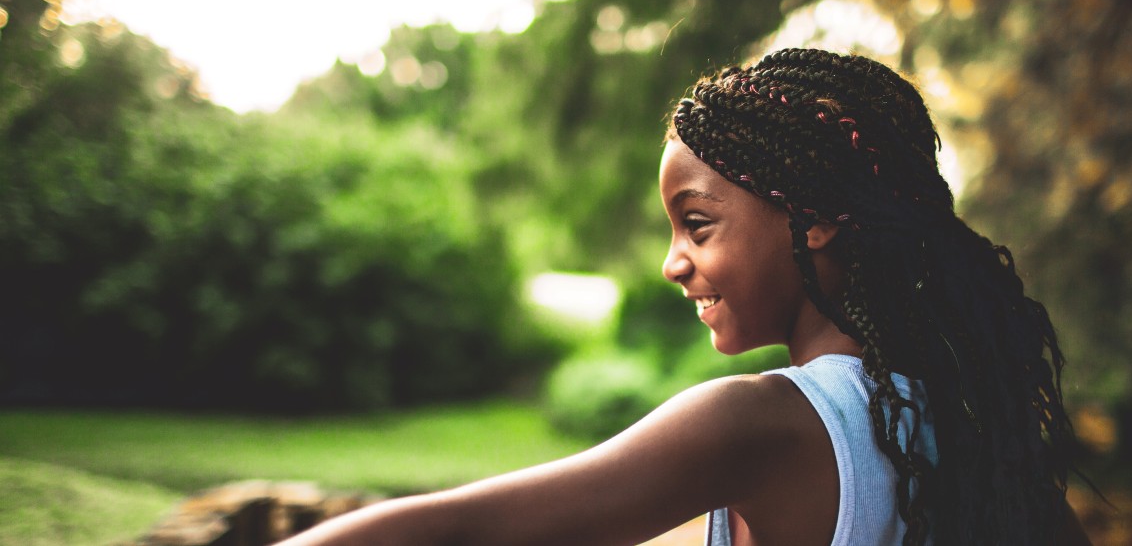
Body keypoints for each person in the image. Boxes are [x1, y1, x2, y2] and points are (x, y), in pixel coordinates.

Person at [278, 48, 1089, 545]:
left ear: (816, 219)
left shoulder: (760, 422)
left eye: (697, 225)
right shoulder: (962, 421)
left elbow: (465, 531)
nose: (674, 263)